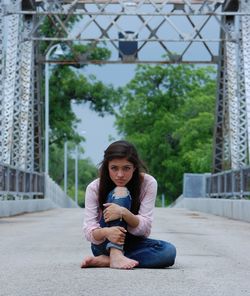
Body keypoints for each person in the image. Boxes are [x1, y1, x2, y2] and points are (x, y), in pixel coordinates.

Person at [81, 140, 176, 269]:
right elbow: (89, 231)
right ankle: (115, 253)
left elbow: (145, 229)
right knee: (120, 191)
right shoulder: (94, 188)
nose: (120, 175)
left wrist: (124, 213)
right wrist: (107, 232)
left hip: (132, 242)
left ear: (134, 167)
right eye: (114, 168)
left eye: (126, 168)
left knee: (168, 252)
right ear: (107, 167)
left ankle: (109, 260)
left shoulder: (148, 183)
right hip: (103, 244)